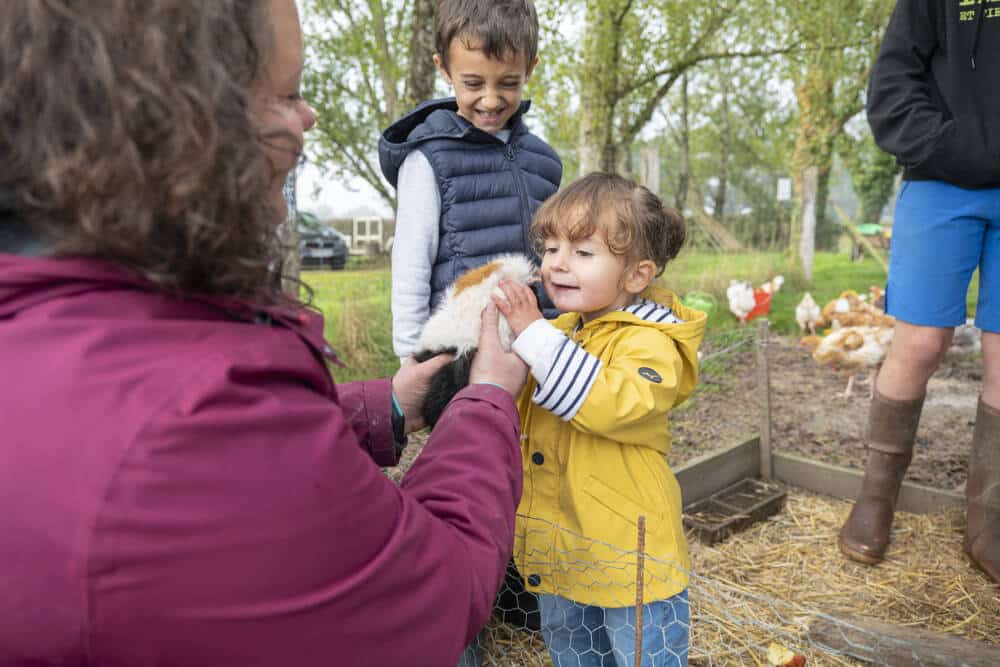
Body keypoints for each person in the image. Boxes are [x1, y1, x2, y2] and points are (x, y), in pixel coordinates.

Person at [0, 1, 531, 665]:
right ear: (177, 120)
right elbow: (433, 592)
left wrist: (387, 403)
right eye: (286, 95)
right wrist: (485, 400)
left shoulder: (61, 309)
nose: (307, 119)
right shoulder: (194, 420)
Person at [493, 173, 707, 667]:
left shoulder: (651, 341)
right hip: (560, 537)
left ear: (636, 275)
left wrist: (533, 335)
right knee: (572, 649)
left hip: (627, 551)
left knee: (642, 655)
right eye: (550, 248)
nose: (557, 264)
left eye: (583, 253)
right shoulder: (561, 329)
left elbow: (611, 401)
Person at [839, 0, 999, 584]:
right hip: (942, 182)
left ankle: (988, 521)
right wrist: (951, 144)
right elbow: (894, 81)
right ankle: (876, 497)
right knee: (922, 341)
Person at [378, 0, 563, 362]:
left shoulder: (546, 162)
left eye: (509, 83)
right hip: (462, 354)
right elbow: (410, 265)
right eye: (473, 83)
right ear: (444, 68)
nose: (491, 100)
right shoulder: (427, 160)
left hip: (541, 348)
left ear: (530, 69)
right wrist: (410, 356)